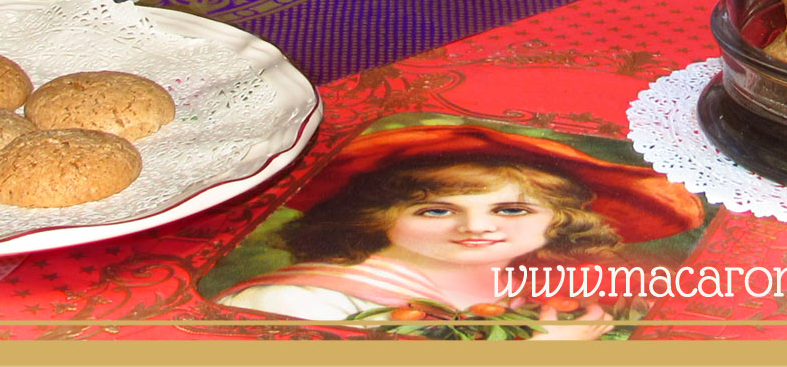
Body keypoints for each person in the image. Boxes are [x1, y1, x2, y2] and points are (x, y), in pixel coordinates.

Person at [214, 124, 705, 340]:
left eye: (512, 210)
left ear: (559, 220)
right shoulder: (301, 302)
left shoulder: (533, 289)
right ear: (375, 215)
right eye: (434, 211)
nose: (476, 228)